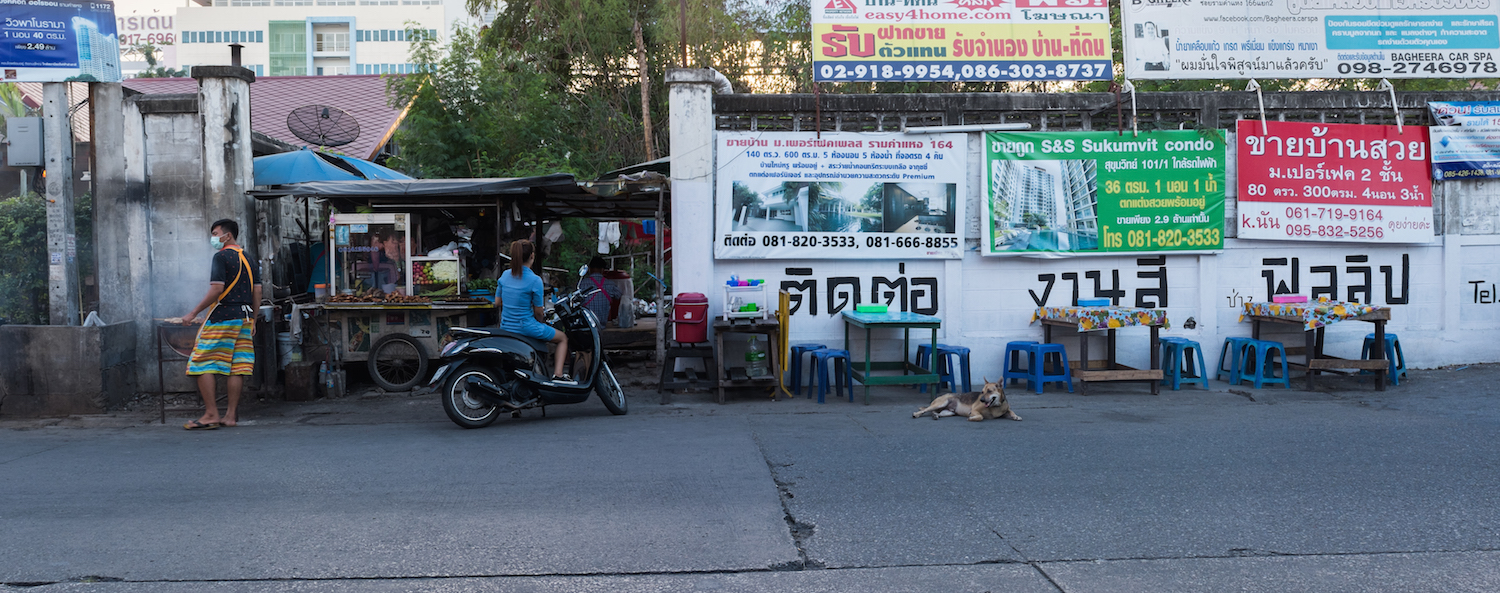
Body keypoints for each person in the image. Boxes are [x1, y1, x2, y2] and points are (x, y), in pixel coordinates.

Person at [175, 218, 262, 430]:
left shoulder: (221, 256)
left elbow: (216, 289)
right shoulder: (249, 258)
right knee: (237, 366)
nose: (213, 238)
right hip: (245, 318)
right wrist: (254, 319)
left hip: (223, 316)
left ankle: (211, 414)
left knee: (201, 361)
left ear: (227, 235)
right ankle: (230, 416)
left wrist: (193, 312)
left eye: (215, 234)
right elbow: (258, 291)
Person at [497, 240, 571, 383]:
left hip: (505, 327)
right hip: (526, 327)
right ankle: (558, 374)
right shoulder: (535, 280)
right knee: (562, 338)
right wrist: (541, 321)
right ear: (532, 256)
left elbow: (498, 302)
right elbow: (538, 313)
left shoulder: (504, 275)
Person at [577, 256, 622, 325]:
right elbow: (619, 295)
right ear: (602, 270)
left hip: (586, 324)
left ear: (589, 268)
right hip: (601, 324)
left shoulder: (582, 283)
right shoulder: (610, 284)